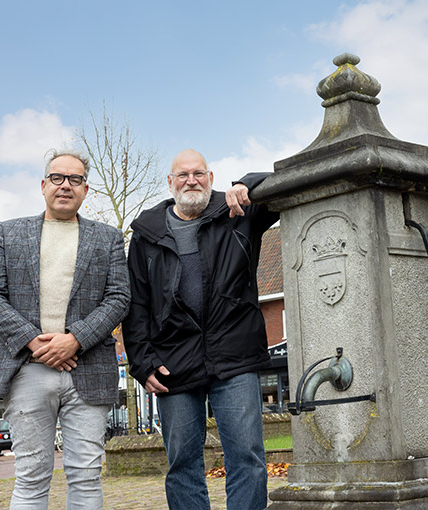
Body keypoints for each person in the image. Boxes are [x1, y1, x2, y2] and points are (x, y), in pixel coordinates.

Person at [123, 149, 279, 510]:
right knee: (182, 466)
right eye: (182, 175)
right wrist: (141, 362)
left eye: (198, 174)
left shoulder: (237, 214)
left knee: (247, 458)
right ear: (170, 183)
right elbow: (136, 306)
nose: (190, 180)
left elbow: (278, 182)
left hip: (234, 357)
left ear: (211, 177)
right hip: (173, 364)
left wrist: (245, 184)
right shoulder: (146, 235)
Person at [0, 149, 130, 509]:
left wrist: (75, 340)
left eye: (75, 179)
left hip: (88, 369)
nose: (66, 185)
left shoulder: (108, 238)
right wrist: (35, 343)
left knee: (87, 476)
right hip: (26, 370)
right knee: (31, 477)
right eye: (58, 178)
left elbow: (119, 297)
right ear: (43, 185)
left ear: (85, 189)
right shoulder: (7, 233)